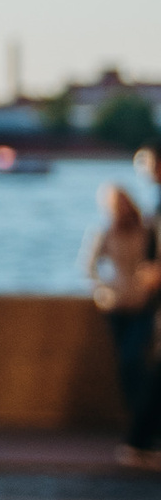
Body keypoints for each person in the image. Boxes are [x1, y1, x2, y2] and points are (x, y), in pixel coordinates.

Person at [87, 169, 161, 468]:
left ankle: (140, 433)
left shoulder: (147, 229)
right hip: (118, 307)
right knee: (131, 364)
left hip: (144, 305)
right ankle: (139, 432)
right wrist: (103, 292)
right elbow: (89, 266)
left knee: (136, 361)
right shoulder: (105, 232)